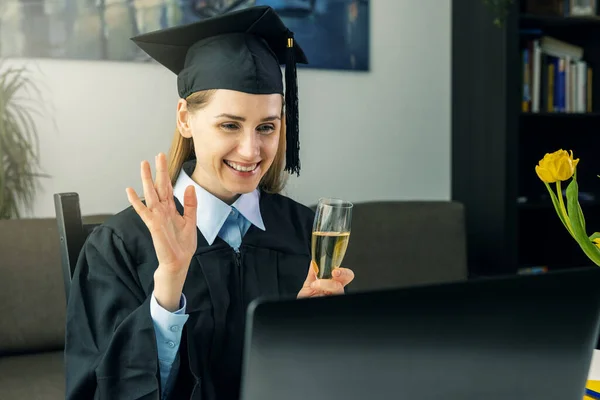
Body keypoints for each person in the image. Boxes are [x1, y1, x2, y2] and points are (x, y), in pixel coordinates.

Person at [64, 5, 355, 400]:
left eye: (267, 127)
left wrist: (314, 329)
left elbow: (341, 378)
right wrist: (168, 287)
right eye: (230, 125)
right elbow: (103, 390)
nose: (251, 150)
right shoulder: (121, 245)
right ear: (185, 118)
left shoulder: (306, 233)